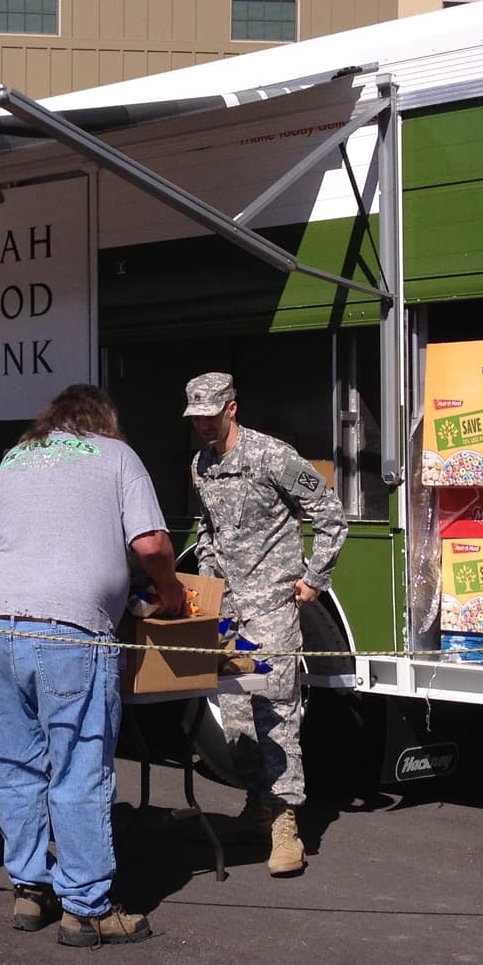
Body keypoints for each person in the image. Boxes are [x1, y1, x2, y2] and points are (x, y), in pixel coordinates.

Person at [0, 384, 186, 949]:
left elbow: (12, 541)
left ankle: (29, 886)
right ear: (103, 421)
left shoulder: (15, 456)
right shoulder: (117, 457)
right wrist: (168, 589)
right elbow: (148, 544)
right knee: (78, 765)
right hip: (71, 629)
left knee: (14, 762)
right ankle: (87, 907)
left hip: (0, 623)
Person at [184, 371, 349, 878]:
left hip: (272, 607)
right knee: (234, 714)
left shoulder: (273, 456)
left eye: (211, 417)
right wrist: (207, 585)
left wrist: (315, 578)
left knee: (277, 710)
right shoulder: (201, 466)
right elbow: (208, 529)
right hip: (228, 611)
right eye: (196, 420)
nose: (204, 427)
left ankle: (285, 824)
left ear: (232, 408)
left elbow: (329, 512)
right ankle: (256, 807)